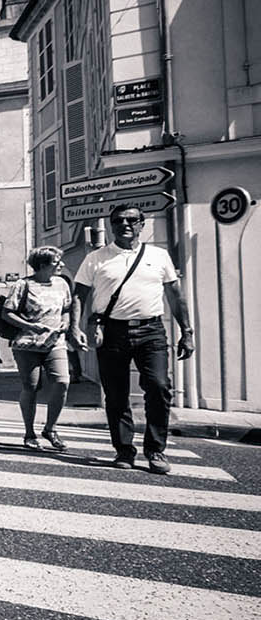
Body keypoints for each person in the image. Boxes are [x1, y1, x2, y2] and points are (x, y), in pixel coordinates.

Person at [72, 202, 194, 474]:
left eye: (131, 220)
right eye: (118, 221)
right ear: (112, 226)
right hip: (112, 332)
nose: (124, 225)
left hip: (152, 330)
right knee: (115, 395)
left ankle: (156, 450)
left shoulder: (159, 256)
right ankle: (124, 450)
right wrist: (74, 327)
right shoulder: (96, 258)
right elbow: (79, 296)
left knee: (159, 387)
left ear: (141, 224)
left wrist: (187, 331)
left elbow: (175, 295)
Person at [2, 246, 75, 452]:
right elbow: (7, 314)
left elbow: (67, 309)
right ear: (42, 265)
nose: (61, 265)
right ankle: (29, 432)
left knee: (62, 382)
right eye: (56, 262)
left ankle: (50, 429)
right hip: (27, 344)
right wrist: (31, 326)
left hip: (55, 342)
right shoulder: (23, 284)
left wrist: (66, 324)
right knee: (31, 387)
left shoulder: (62, 284)